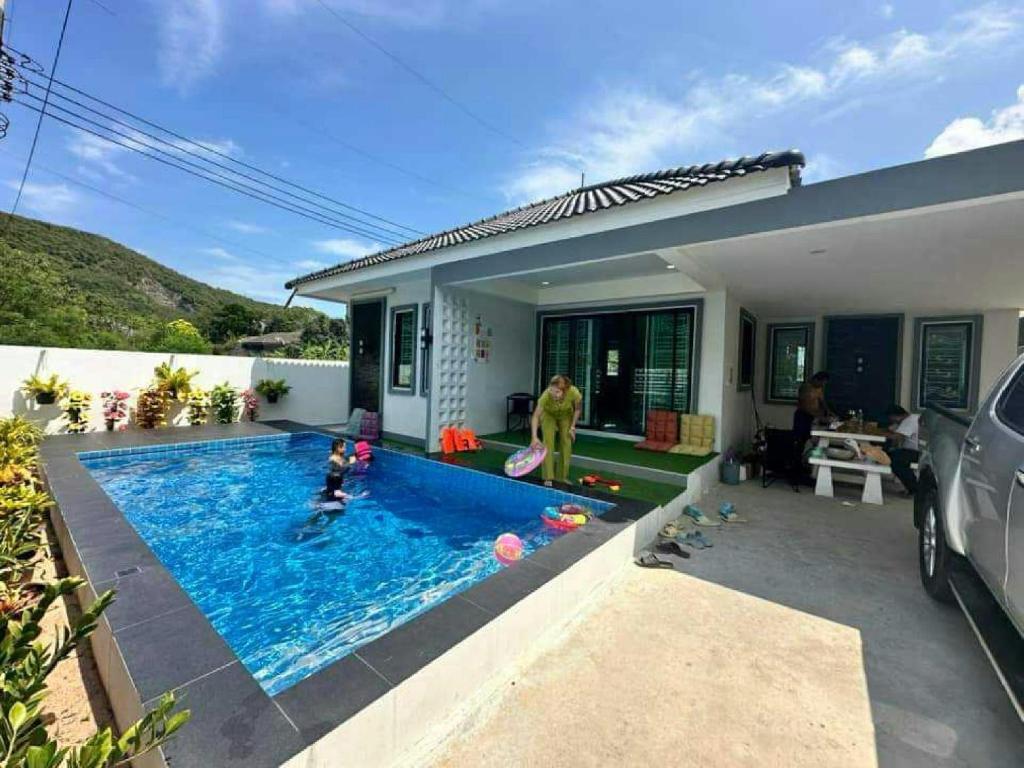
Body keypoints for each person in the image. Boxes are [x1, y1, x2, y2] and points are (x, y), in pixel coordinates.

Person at [530, 374, 583, 487]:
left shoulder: (574, 392)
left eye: (558, 392)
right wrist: (534, 437)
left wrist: (572, 427)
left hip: (565, 415)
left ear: (565, 390)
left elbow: (578, 409)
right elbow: (535, 416)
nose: (554, 394)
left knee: (566, 442)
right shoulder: (546, 395)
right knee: (548, 443)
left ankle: (561, 477)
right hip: (548, 415)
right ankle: (548, 477)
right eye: (552, 390)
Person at [885, 404, 920, 495]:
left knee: (895, 461)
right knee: (893, 456)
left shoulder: (909, 422)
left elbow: (897, 437)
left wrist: (882, 434)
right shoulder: (912, 418)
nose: (892, 421)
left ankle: (914, 488)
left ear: (895, 416)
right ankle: (911, 487)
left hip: (917, 452)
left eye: (892, 418)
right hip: (913, 451)